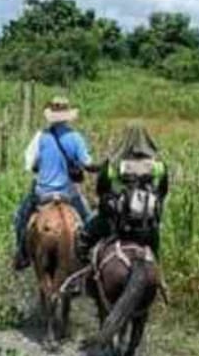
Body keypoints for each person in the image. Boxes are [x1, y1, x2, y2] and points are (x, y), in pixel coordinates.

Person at [13, 97, 94, 271]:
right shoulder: (76, 138)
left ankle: (22, 254)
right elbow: (87, 163)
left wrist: (41, 166)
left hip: (43, 193)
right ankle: (89, 257)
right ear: (67, 117)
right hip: (69, 194)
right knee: (88, 220)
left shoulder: (40, 137)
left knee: (19, 217)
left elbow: (30, 164)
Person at [78, 122, 169, 263]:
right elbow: (163, 192)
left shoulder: (113, 164)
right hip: (147, 228)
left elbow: (101, 191)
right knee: (155, 256)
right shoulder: (158, 166)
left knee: (86, 233)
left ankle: (83, 263)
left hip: (116, 224)